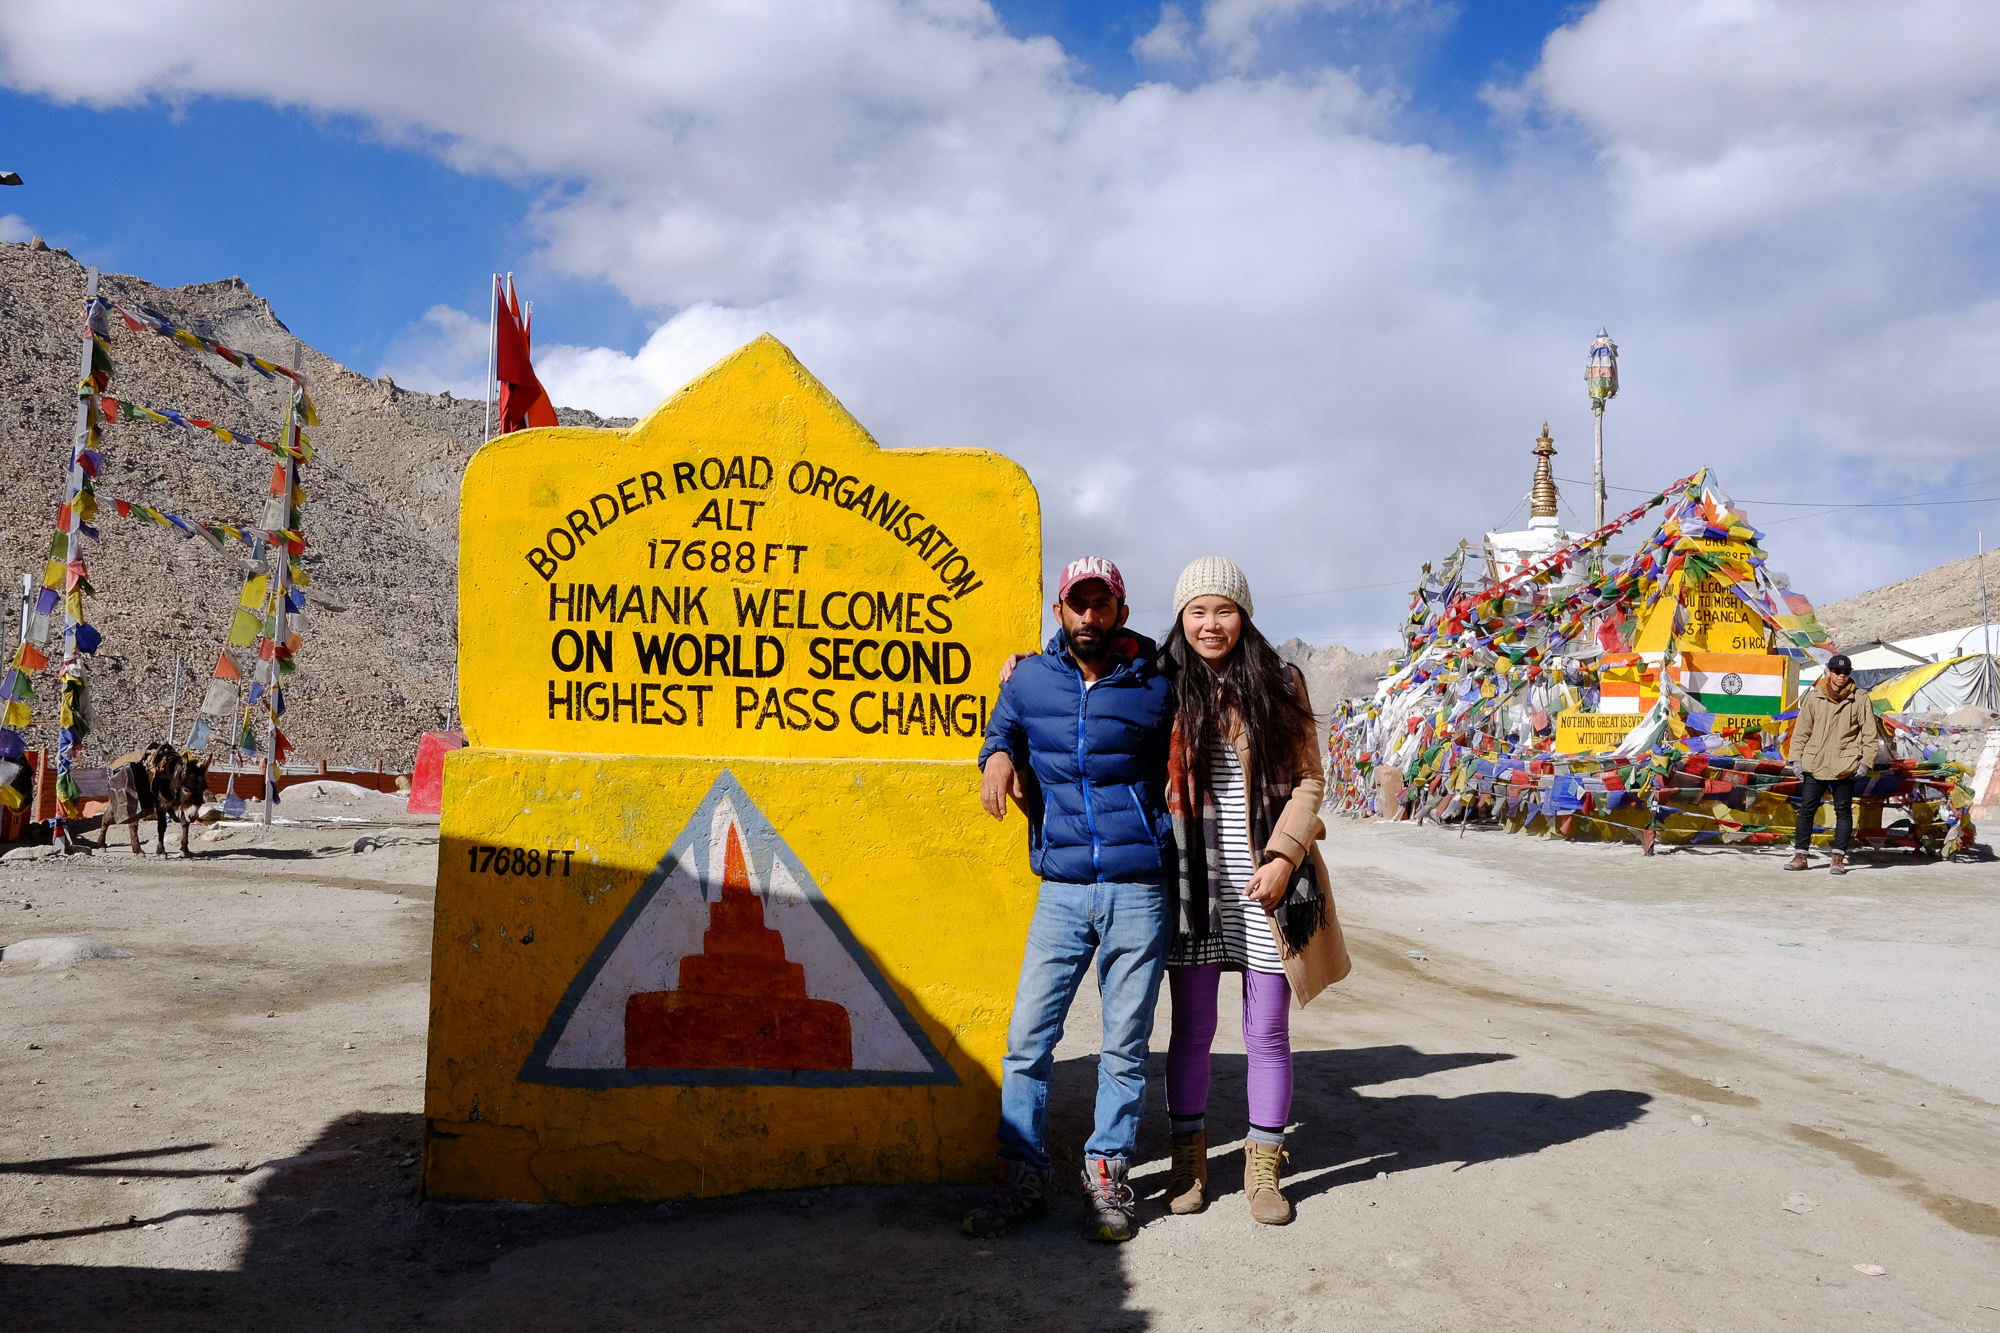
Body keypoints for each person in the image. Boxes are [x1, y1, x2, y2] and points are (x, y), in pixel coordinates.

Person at [963, 556, 1175, 1244]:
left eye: (1101, 603)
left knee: (1125, 1044)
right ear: (1059, 611)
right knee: (1028, 1038)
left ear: (1120, 612)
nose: (1089, 615)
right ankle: (1021, 1175)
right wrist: (997, 756)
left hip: (1138, 889)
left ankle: (1107, 1173)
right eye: (1077, 603)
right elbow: (1002, 729)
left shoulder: (1155, 681)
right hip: (1061, 890)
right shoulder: (1029, 679)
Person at [1157, 557, 1349, 1226]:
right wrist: (1020, 663)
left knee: (1266, 1030)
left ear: (1243, 615)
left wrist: (1283, 857)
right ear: (1182, 618)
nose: (1211, 623)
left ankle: (1264, 1164)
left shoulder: (1279, 681)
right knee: (1192, 1030)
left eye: (1225, 609)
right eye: (1198, 610)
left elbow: (1309, 780)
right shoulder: (1159, 681)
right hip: (1193, 884)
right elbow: (1081, 668)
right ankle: (1189, 1160)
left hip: (1267, 887)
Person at [1787, 653, 1877, 875]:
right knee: (1806, 810)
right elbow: (1801, 731)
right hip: (1815, 763)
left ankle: (1838, 859)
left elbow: (1869, 734)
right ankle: (1800, 856)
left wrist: (1866, 762)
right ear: (1829, 672)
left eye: (1846, 672)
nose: (1841, 676)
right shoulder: (1814, 697)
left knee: (1843, 812)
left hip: (1845, 765)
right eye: (1837, 672)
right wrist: (1796, 758)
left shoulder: (1860, 699)